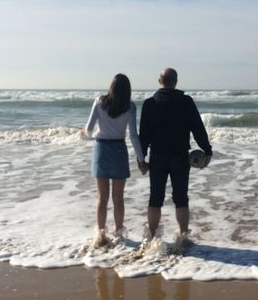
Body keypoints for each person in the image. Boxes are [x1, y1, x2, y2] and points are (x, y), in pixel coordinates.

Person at [139, 68, 212, 243]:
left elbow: (144, 135)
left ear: (160, 81)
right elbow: (198, 128)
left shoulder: (150, 103)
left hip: (157, 156)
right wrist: (207, 150)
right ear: (176, 81)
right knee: (181, 197)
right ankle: (183, 237)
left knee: (155, 197)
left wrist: (141, 159)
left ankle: (152, 238)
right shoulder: (186, 101)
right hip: (180, 156)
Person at [83, 73, 147, 247]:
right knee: (118, 198)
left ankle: (101, 234)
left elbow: (88, 130)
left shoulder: (99, 102)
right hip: (119, 150)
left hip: (101, 149)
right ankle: (118, 233)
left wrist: (83, 133)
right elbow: (133, 136)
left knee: (102, 198)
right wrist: (141, 160)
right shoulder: (130, 107)